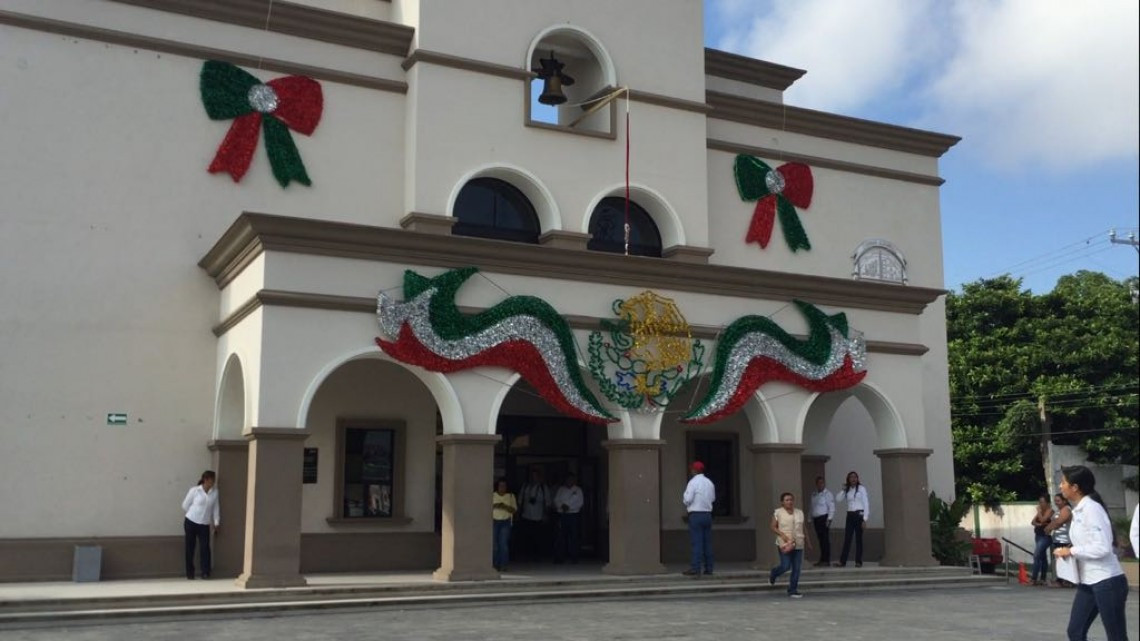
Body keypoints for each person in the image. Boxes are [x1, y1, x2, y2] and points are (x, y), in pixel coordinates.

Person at [1053, 465, 1129, 641]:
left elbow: (1102, 547)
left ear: (1075, 487)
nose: (1060, 486)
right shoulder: (1079, 510)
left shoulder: (1092, 509)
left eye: (1063, 482)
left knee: (1116, 637)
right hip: (1088, 582)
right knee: (1075, 632)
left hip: (1107, 581)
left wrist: (1070, 551)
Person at [769, 492, 811, 598]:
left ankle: (792, 590)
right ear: (782, 502)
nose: (789, 502)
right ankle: (774, 573)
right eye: (787, 500)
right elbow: (773, 526)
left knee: (796, 568)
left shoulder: (799, 512)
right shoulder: (778, 512)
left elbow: (803, 527)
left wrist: (808, 541)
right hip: (784, 542)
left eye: (791, 499)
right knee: (785, 565)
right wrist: (782, 534)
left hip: (798, 542)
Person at [181, 470, 220, 580]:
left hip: (204, 524)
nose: (213, 482)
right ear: (205, 480)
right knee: (190, 547)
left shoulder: (215, 493)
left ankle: (205, 572)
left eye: (214, 480)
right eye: (211, 480)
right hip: (191, 522)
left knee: (205, 548)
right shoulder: (194, 491)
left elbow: (216, 509)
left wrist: (216, 522)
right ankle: (190, 573)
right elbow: (185, 505)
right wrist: (194, 513)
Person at [682, 460, 715, 577]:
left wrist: (685, 499)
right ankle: (709, 568)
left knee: (697, 542)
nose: (691, 471)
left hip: (696, 514)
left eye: (691, 469)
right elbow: (713, 498)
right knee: (707, 543)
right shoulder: (709, 483)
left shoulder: (693, 482)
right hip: (707, 514)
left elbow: (688, 499)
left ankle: (695, 568)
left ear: (695, 470)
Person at [834, 471, 869, 567]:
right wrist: (843, 490)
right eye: (851, 477)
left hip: (859, 514)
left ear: (857, 479)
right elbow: (838, 499)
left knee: (858, 539)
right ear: (848, 479)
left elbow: (866, 503)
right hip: (850, 515)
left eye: (855, 477)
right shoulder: (847, 490)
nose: (853, 479)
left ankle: (858, 561)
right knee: (847, 538)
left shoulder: (861, 489)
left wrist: (865, 519)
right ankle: (842, 561)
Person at [517, 467, 552, 561]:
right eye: (532, 476)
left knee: (538, 538)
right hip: (526, 516)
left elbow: (548, 502)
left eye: (536, 476)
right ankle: (526, 555)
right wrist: (518, 514)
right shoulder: (525, 486)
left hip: (538, 517)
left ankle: (538, 556)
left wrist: (546, 515)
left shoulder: (543, 488)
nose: (534, 478)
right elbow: (520, 500)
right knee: (526, 537)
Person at [552, 474, 583, 564]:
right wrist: (562, 506)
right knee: (561, 536)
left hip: (573, 515)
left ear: (574, 480)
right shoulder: (561, 489)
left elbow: (580, 503)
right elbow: (556, 500)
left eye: (571, 479)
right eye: (568, 479)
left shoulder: (578, 490)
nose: (569, 481)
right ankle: (560, 557)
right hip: (563, 515)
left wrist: (568, 507)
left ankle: (574, 557)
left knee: (574, 537)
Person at [1045, 492, 1073, 587]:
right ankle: (1061, 580)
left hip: (1064, 539)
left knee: (1063, 561)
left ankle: (1063, 581)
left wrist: (1048, 528)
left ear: (1064, 501)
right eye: (1055, 501)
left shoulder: (1066, 509)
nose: (1056, 503)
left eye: (1058, 501)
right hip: (1057, 539)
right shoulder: (1059, 510)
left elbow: (1059, 522)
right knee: (1059, 561)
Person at [491, 478, 517, 572]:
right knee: (494, 545)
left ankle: (503, 564)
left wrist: (505, 507)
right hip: (494, 521)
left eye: (504, 486)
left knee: (503, 544)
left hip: (505, 521)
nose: (502, 488)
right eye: (500, 486)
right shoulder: (493, 495)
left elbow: (514, 510)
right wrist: (496, 505)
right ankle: (495, 564)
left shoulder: (510, 496)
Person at [809, 476, 835, 567]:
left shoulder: (828, 494)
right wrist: (809, 518)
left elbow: (831, 507)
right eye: (819, 483)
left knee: (825, 540)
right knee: (820, 540)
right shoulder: (814, 494)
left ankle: (826, 560)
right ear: (816, 484)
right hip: (816, 519)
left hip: (824, 518)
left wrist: (829, 519)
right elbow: (812, 507)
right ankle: (822, 559)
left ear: (824, 484)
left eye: (822, 483)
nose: (820, 485)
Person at [1030, 493, 1054, 586]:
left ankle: (1034, 578)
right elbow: (1033, 522)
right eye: (1039, 502)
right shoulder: (1040, 512)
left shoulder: (1050, 511)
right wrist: (1039, 524)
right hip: (1038, 535)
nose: (1040, 504)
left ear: (1047, 503)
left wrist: (1039, 512)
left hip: (1045, 537)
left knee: (1036, 555)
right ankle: (1043, 578)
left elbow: (1043, 520)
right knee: (1043, 557)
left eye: (1042, 502)